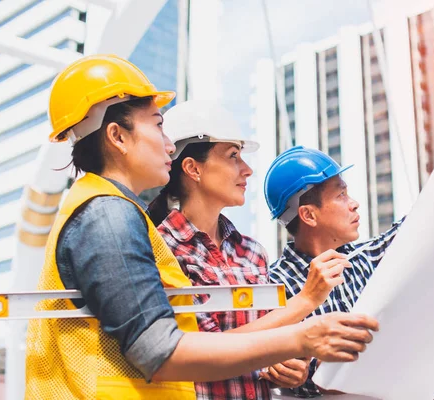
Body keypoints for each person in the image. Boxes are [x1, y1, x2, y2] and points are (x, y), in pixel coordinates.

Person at [24, 56, 379, 400]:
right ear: (117, 136)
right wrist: (301, 333)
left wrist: (283, 355)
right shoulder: (107, 215)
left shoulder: (116, 213)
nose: (167, 145)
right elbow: (159, 350)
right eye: (158, 124)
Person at [149, 100, 356, 400]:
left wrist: (291, 367)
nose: (246, 170)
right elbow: (204, 351)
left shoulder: (251, 253)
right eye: (233, 156)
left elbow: (268, 343)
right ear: (192, 168)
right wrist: (307, 300)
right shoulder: (164, 250)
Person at [265, 146, 405, 397]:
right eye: (341, 195)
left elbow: (421, 226)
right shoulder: (272, 287)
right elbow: (262, 361)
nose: (354, 204)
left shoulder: (366, 259)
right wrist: (286, 372)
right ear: (308, 214)